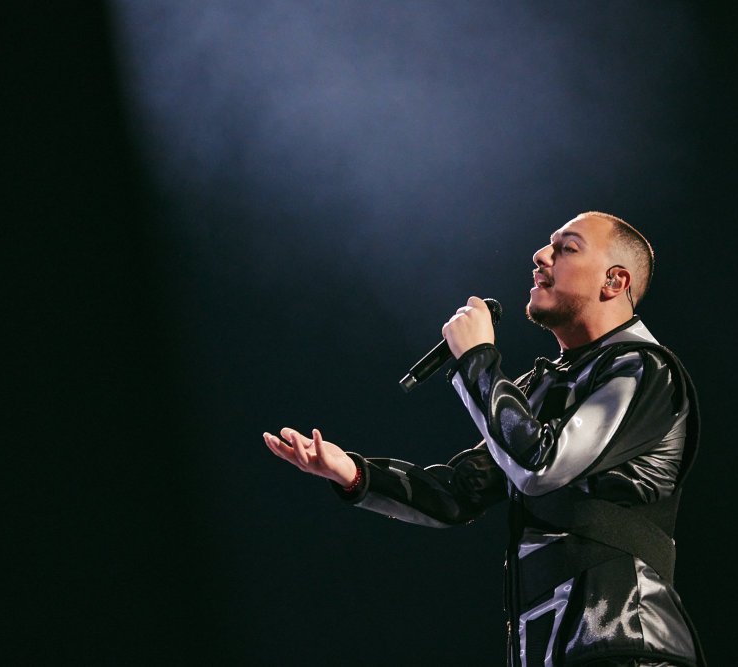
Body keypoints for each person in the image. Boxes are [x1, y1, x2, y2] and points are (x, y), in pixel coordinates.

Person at [263, 212, 704, 667]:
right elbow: (458, 492)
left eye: (567, 247)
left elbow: (540, 466)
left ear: (614, 281)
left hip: (626, 647)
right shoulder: (545, 385)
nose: (540, 255)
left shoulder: (645, 369)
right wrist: (352, 472)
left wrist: (476, 360)